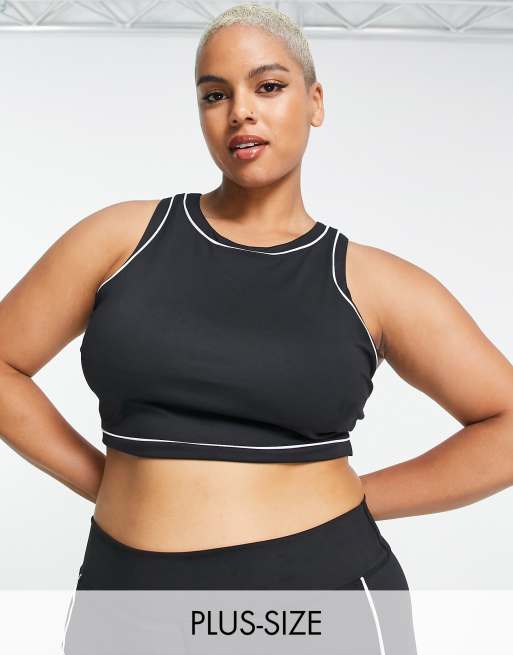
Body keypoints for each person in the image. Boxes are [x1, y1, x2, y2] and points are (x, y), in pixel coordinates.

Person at [2, 3, 513, 654]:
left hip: (313, 599)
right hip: (124, 595)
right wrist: (101, 480)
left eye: (268, 86)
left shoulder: (373, 283)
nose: (240, 111)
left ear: (314, 102)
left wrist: (357, 499)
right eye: (215, 95)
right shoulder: (120, 239)